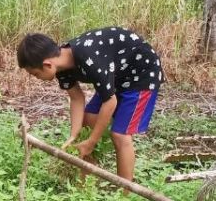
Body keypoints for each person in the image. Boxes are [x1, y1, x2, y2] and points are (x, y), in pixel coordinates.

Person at [17, 27, 163, 181]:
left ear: (47, 65)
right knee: (88, 120)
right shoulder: (62, 67)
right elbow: (76, 98)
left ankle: (125, 194)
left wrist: (92, 141)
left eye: (35, 74)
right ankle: (88, 181)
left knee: (120, 134)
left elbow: (110, 102)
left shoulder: (88, 57)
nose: (36, 78)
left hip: (142, 74)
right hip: (117, 75)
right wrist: (74, 136)